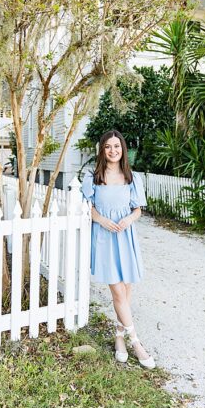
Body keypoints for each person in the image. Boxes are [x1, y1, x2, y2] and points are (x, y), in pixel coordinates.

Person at [81, 129, 155, 369]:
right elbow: (86, 208)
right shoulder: (93, 177)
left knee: (126, 291)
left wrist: (128, 220)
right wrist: (101, 220)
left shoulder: (131, 178)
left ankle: (119, 338)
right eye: (108, 147)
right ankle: (136, 343)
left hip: (125, 237)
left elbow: (138, 210)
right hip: (105, 238)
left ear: (122, 149)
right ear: (102, 150)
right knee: (118, 293)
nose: (113, 151)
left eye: (117, 146)